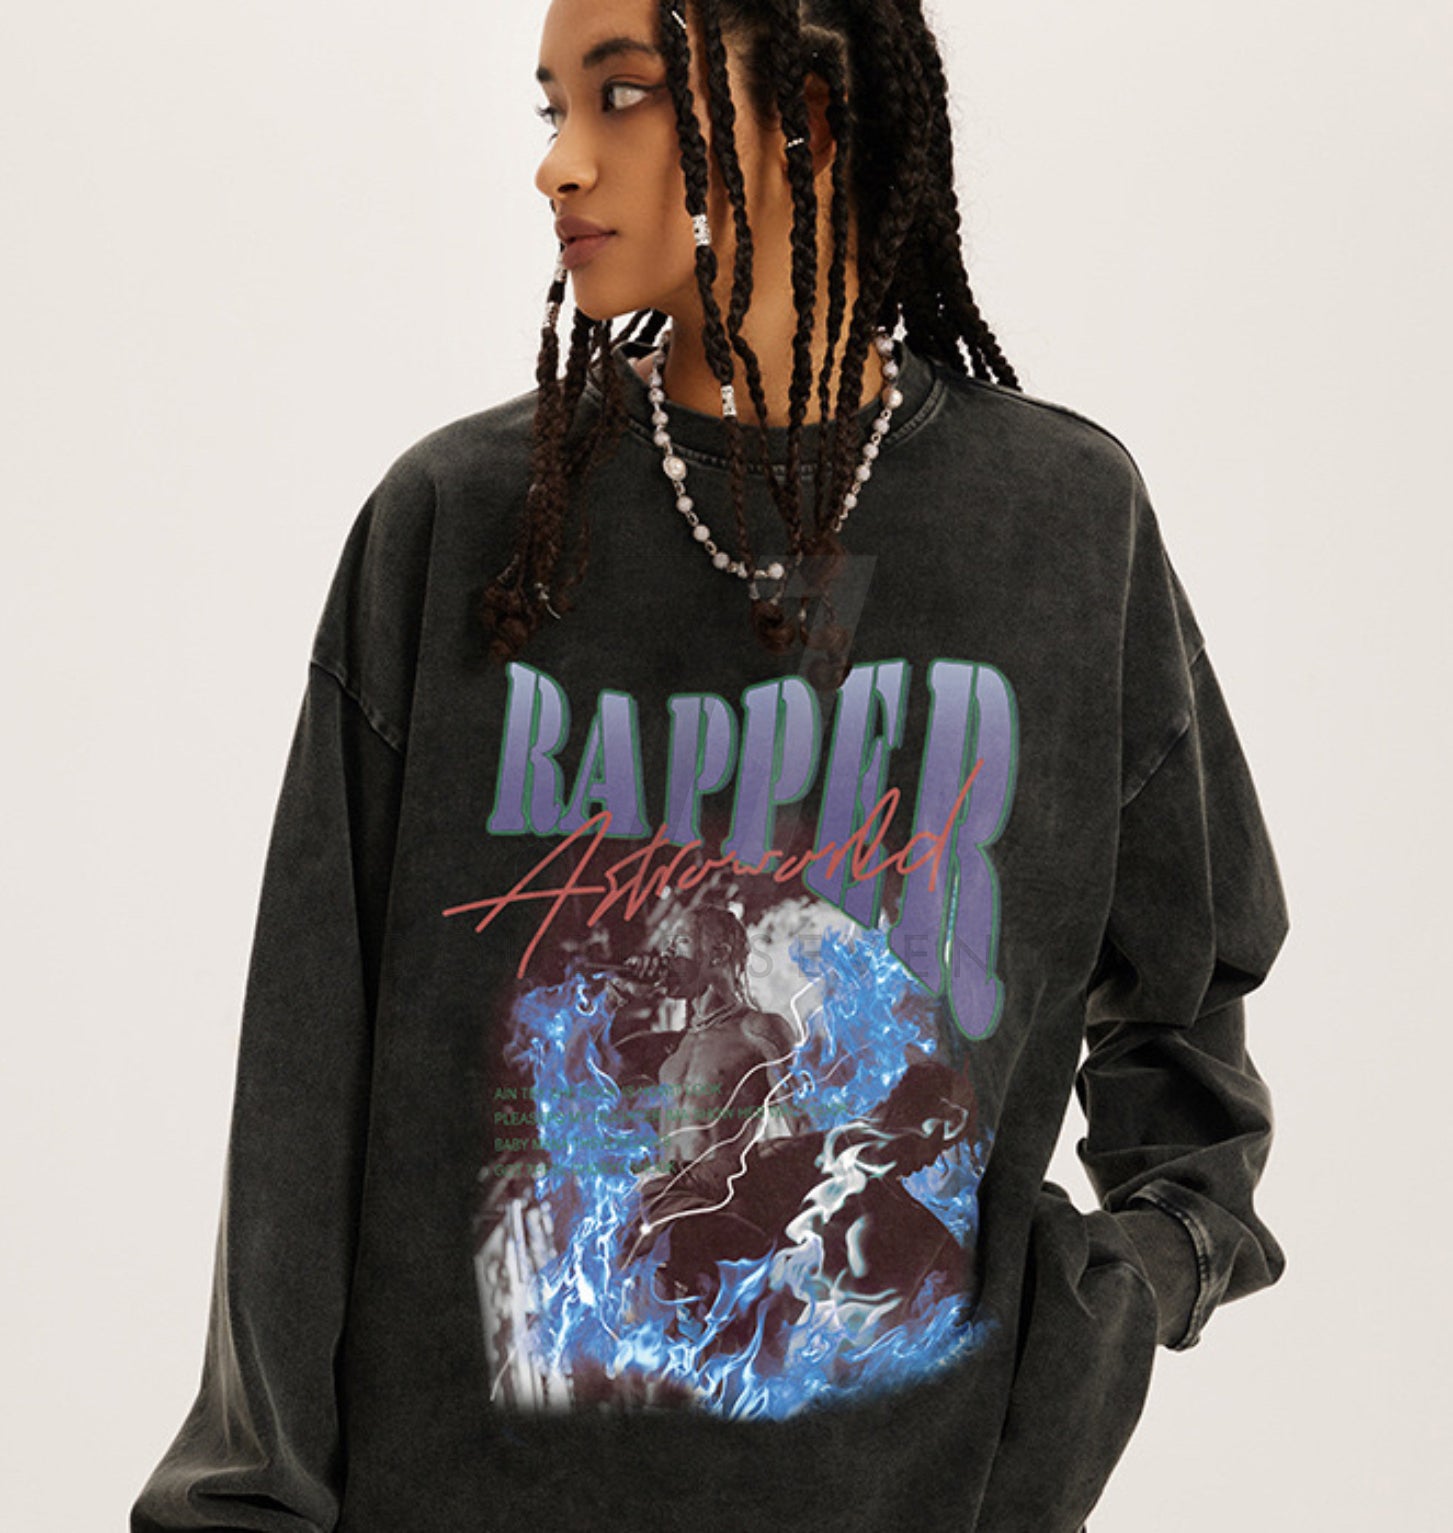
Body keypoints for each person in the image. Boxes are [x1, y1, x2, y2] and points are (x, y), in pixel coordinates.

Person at [130, 0, 1290, 1529]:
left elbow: (1188, 985)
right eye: (549, 107)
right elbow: (302, 1086)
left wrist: (1132, 1281)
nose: (559, 163)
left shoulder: (1058, 526)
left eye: (619, 98)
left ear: (804, 117)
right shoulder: (461, 525)